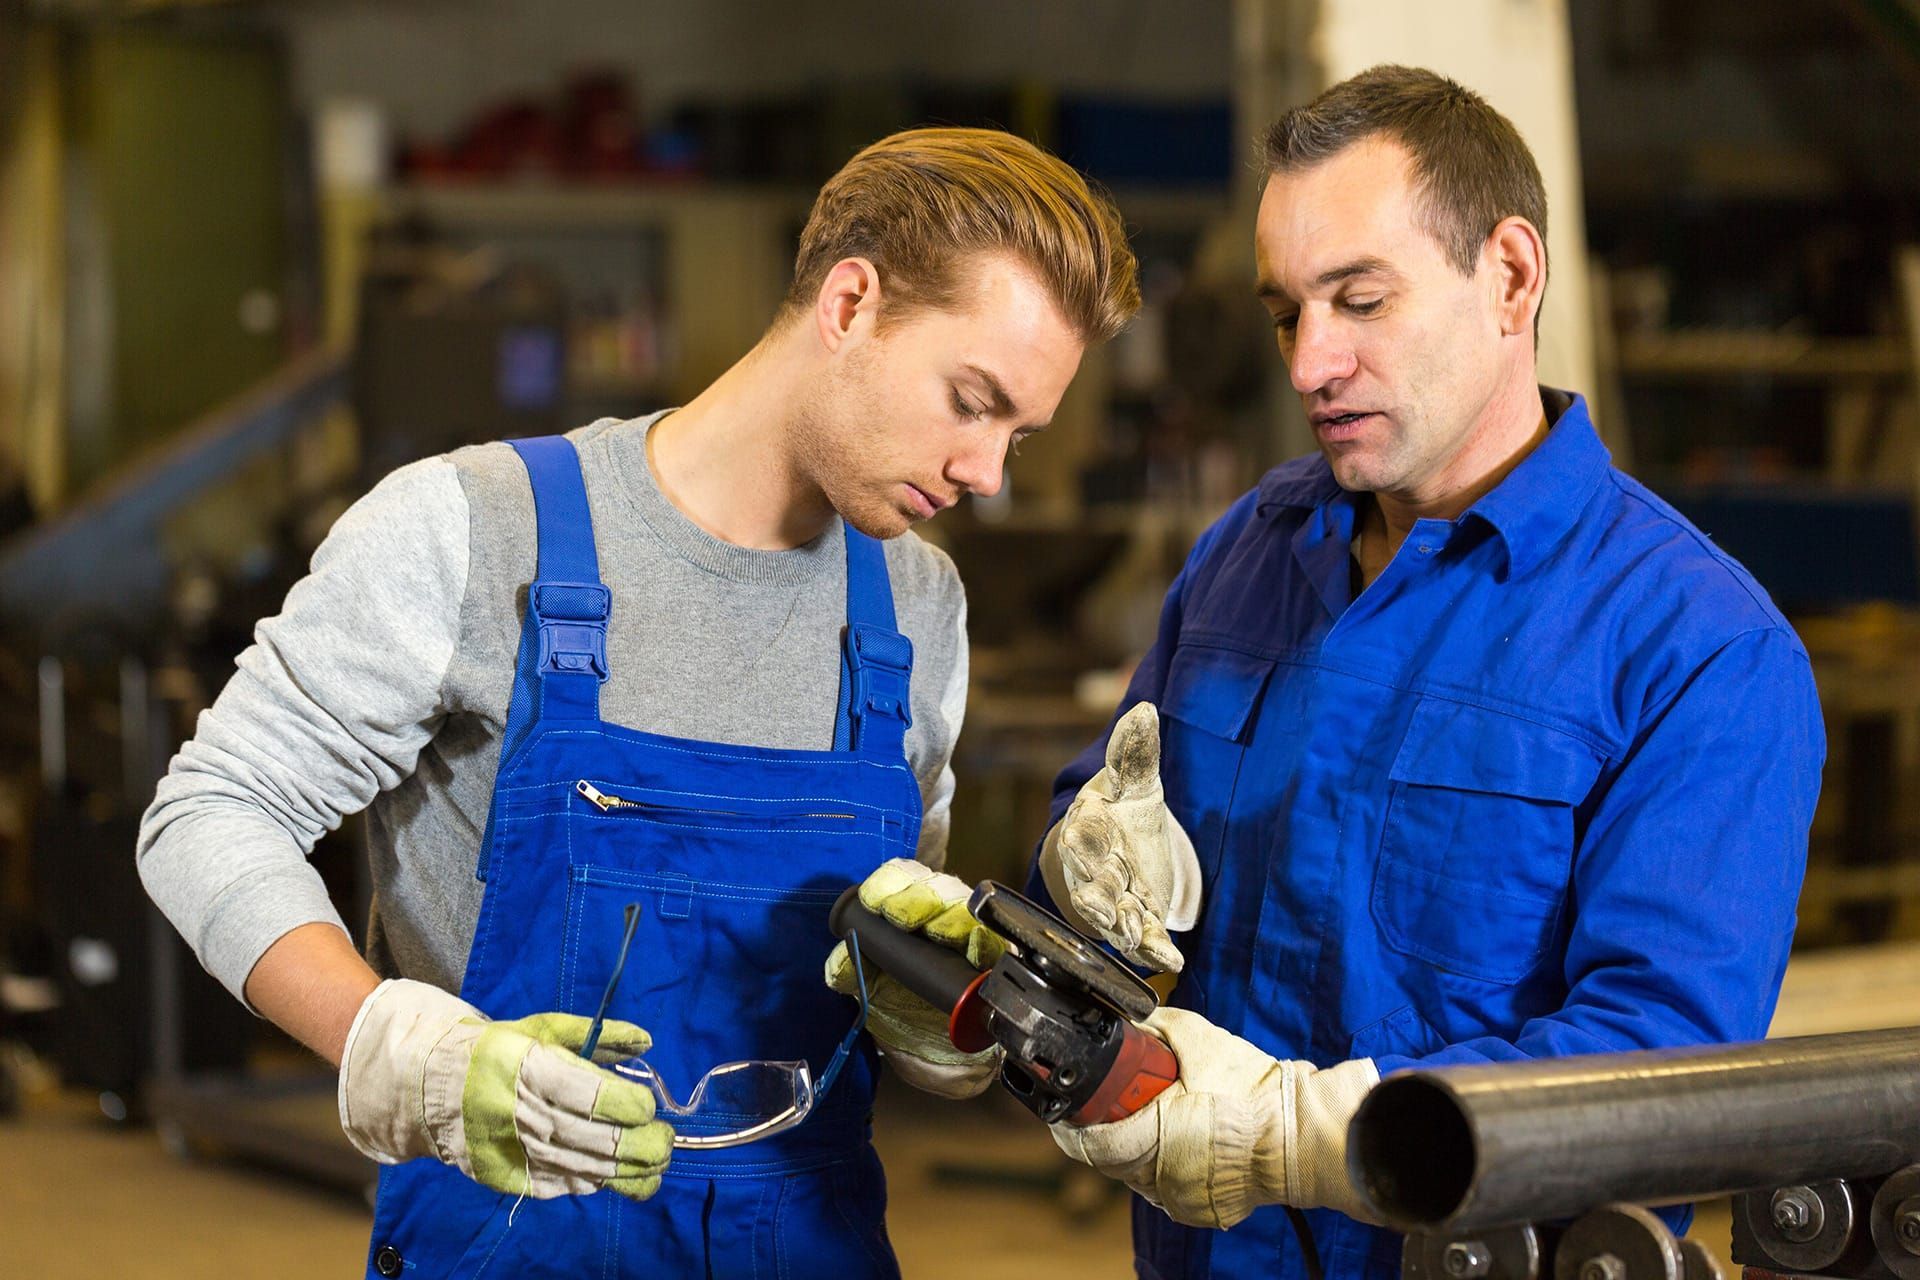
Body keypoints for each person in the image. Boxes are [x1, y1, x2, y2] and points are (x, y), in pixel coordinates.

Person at [137, 126, 1138, 1278]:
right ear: (851, 302)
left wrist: (941, 1019)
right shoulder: (472, 528)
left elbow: (889, 948)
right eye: (973, 400)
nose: (988, 474)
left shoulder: (919, 605)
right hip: (510, 1241)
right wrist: (392, 1043)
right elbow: (210, 811)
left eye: (1020, 432)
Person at [1029, 66, 1825, 1280]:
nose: (1308, 363)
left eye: (1359, 300)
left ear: (1510, 276)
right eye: (1287, 313)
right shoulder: (1249, 551)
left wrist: (1308, 1138)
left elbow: (1660, 1067)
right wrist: (1075, 868)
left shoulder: (1701, 648)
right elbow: (1109, 823)